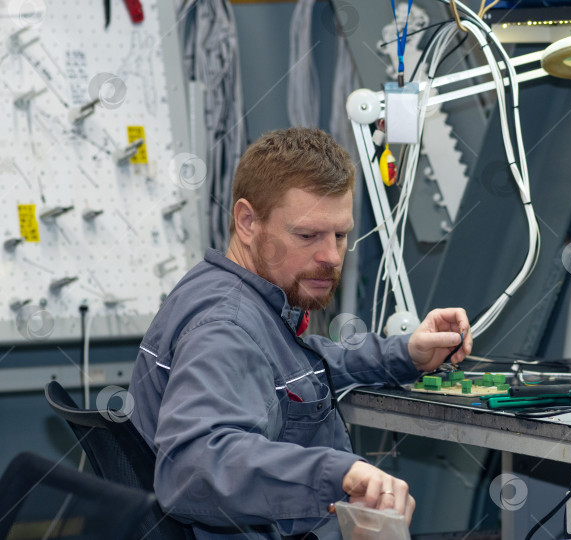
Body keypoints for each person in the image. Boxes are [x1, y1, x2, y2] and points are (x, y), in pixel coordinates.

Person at [128, 127, 473, 540]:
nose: (330, 256)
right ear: (247, 221)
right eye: (307, 236)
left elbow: (298, 366)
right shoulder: (225, 327)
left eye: (340, 235)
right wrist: (338, 473)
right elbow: (193, 467)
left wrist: (406, 355)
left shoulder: (230, 292)